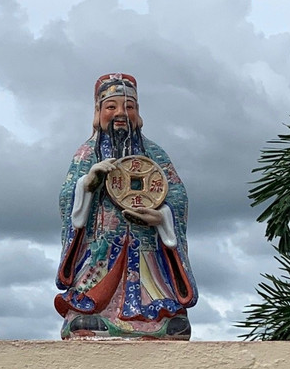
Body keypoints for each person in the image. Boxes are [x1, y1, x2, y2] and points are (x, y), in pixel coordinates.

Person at [55, 73, 197, 339]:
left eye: (129, 107)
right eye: (112, 106)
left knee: (172, 322)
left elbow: (177, 195)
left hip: (146, 246)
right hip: (102, 245)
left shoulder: (154, 154)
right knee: (87, 318)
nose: (121, 113)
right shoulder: (88, 153)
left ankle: (158, 317)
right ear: (98, 112)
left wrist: (162, 215)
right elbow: (66, 197)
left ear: (138, 113)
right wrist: (88, 184)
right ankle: (92, 313)